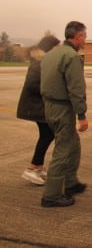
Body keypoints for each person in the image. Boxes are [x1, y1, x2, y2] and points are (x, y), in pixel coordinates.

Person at [40, 21, 88, 207]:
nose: (85, 39)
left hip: (49, 106)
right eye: (84, 35)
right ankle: (51, 195)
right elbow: (76, 89)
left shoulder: (51, 54)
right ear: (78, 37)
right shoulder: (72, 57)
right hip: (62, 108)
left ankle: (70, 183)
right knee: (63, 149)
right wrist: (81, 115)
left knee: (73, 144)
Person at [17, 35, 60, 185]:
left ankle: (38, 166)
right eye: (56, 47)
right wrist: (50, 90)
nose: (58, 50)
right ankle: (32, 168)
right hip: (35, 105)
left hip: (38, 105)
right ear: (50, 47)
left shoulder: (42, 61)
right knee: (48, 134)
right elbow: (32, 85)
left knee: (47, 134)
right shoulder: (39, 63)